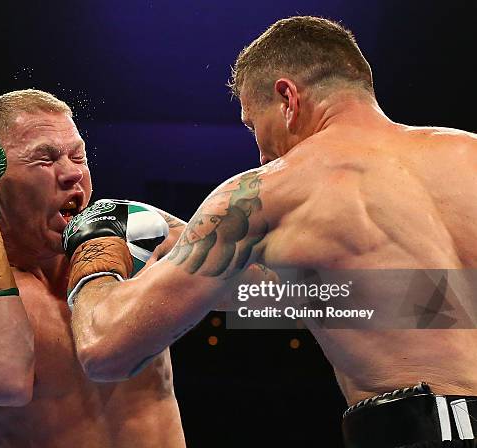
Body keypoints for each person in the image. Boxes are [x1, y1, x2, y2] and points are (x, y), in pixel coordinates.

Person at [64, 17, 477, 448]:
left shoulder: (265, 194)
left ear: (287, 98)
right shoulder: (467, 153)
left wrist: (96, 250)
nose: (260, 151)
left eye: (250, 123)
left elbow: (105, 348)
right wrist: (179, 238)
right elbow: (350, 302)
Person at [0, 89, 188, 447]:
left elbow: (260, 292)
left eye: (79, 156)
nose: (73, 174)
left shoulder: (132, 229)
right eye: (46, 159)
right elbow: (4, 379)